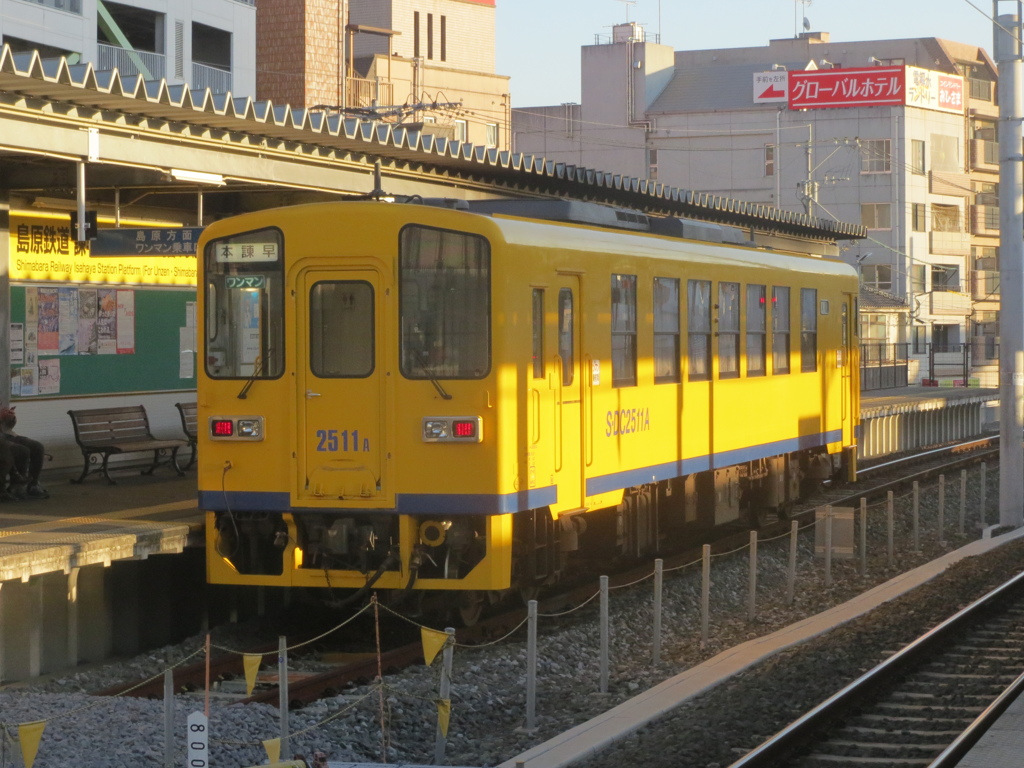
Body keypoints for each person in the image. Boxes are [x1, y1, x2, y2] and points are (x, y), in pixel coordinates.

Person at [0, 406, 48, 499]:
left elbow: (8, 425)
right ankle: (17, 485)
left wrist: (9, 418)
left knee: (38, 447)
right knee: (21, 450)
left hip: (6, 434)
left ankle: (33, 485)